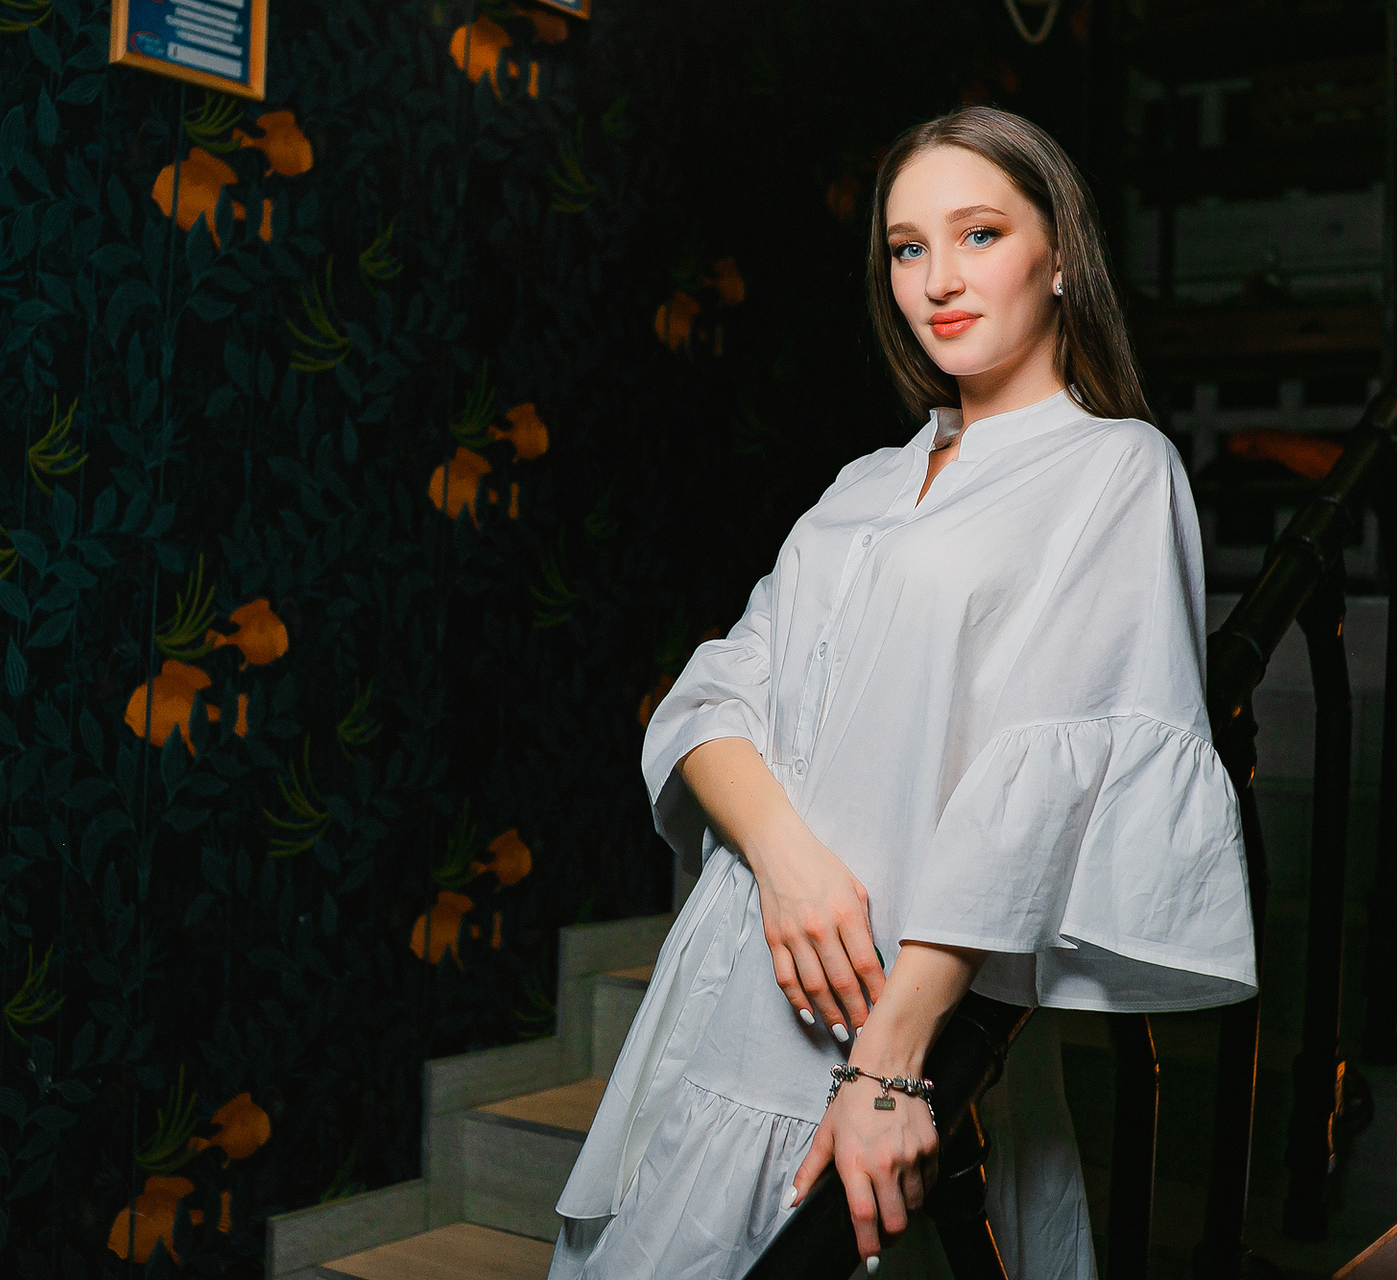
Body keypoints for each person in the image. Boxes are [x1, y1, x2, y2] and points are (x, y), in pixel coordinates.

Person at [547, 105, 1256, 1280]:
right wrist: (789, 858)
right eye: (907, 247)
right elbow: (711, 700)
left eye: (979, 233)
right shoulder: (863, 483)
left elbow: (1039, 794)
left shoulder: (1114, 469)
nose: (938, 280)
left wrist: (888, 1065)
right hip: (730, 973)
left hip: (885, 1012)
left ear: (1060, 254)